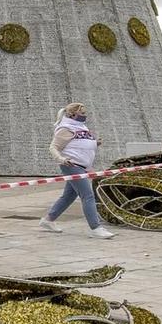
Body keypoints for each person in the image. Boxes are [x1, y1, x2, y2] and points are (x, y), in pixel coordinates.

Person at [40, 102, 115, 238]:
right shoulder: (66, 128)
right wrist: (62, 159)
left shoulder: (81, 127)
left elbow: (79, 143)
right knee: (88, 195)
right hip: (72, 166)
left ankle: (48, 220)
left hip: (82, 166)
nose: (85, 115)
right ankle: (96, 227)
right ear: (72, 114)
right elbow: (53, 147)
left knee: (69, 196)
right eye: (82, 113)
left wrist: (95, 143)